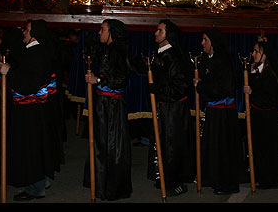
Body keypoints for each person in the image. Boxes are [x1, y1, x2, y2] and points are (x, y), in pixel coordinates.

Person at [0, 19, 63, 201]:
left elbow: (30, 83)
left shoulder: (37, 53)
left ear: (34, 34)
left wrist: (9, 71)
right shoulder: (35, 50)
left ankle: (36, 187)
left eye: (26, 30)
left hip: (32, 109)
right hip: (35, 109)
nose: (23, 34)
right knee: (36, 147)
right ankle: (40, 180)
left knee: (32, 148)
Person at [142, 19, 194, 196]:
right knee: (163, 143)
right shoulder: (161, 55)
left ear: (168, 35)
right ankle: (163, 177)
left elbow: (179, 87)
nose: (155, 33)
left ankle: (173, 182)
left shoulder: (174, 57)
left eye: (159, 31)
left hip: (174, 109)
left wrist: (158, 89)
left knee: (172, 145)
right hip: (165, 107)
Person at [83, 19, 132, 201]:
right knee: (101, 144)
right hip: (104, 104)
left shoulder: (118, 51)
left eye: (102, 29)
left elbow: (121, 79)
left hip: (112, 106)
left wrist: (99, 81)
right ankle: (100, 183)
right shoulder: (109, 50)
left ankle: (111, 187)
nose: (99, 32)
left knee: (111, 146)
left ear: (111, 32)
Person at [194, 28, 243, 195]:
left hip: (223, 113)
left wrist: (200, 85)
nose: (202, 43)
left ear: (213, 42)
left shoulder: (222, 61)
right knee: (214, 147)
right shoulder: (208, 59)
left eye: (205, 39)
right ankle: (214, 179)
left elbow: (222, 88)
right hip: (214, 110)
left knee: (223, 149)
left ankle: (226, 183)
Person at [242, 35, 278, 189]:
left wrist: (252, 91)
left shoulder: (270, 74)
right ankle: (258, 174)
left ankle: (269, 179)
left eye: (256, 52)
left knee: (266, 148)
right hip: (258, 115)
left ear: (264, 56)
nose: (253, 54)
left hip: (267, 117)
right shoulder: (258, 70)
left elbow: (267, 96)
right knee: (257, 147)